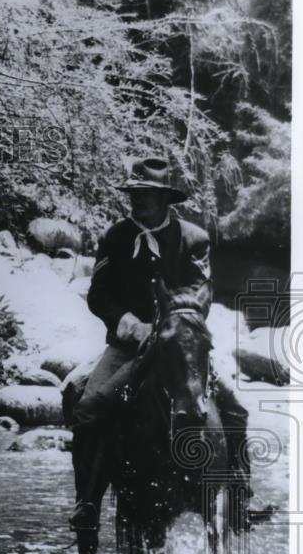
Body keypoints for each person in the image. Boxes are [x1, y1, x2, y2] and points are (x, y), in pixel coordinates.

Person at [69, 157, 250, 532]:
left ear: (165, 198)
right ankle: (87, 503)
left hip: (182, 345)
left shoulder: (193, 239)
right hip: (128, 346)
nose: (137, 200)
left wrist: (173, 323)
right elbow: (99, 294)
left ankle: (242, 496)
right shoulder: (115, 237)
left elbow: (200, 291)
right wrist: (129, 324)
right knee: (88, 408)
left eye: (146, 193)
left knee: (234, 409)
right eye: (134, 192)